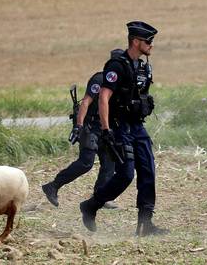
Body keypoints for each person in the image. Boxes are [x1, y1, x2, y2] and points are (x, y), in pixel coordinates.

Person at [79, 21, 168, 236]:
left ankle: (145, 224)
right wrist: (107, 130)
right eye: (148, 41)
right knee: (126, 175)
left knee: (148, 172)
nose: (151, 45)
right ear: (136, 42)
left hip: (138, 127)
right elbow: (104, 97)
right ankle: (91, 205)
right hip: (120, 128)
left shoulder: (143, 67)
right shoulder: (117, 65)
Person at [41, 49, 124, 209]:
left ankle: (101, 196)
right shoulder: (99, 79)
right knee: (86, 163)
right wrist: (79, 126)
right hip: (90, 127)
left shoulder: (120, 84)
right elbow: (85, 102)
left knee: (109, 163)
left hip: (106, 129)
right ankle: (53, 186)